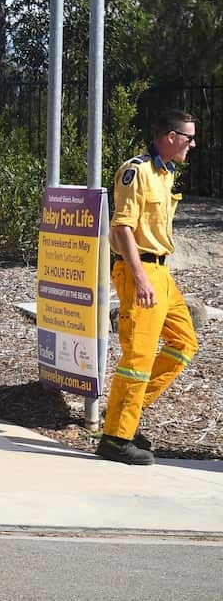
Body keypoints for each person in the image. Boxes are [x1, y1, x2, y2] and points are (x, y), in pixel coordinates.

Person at [98, 110, 199, 465]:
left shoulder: (164, 173)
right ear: (170, 136)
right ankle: (115, 438)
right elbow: (122, 228)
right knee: (137, 359)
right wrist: (139, 278)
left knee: (184, 342)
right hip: (139, 270)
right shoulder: (136, 171)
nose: (193, 144)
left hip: (161, 272)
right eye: (188, 137)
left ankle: (127, 413)